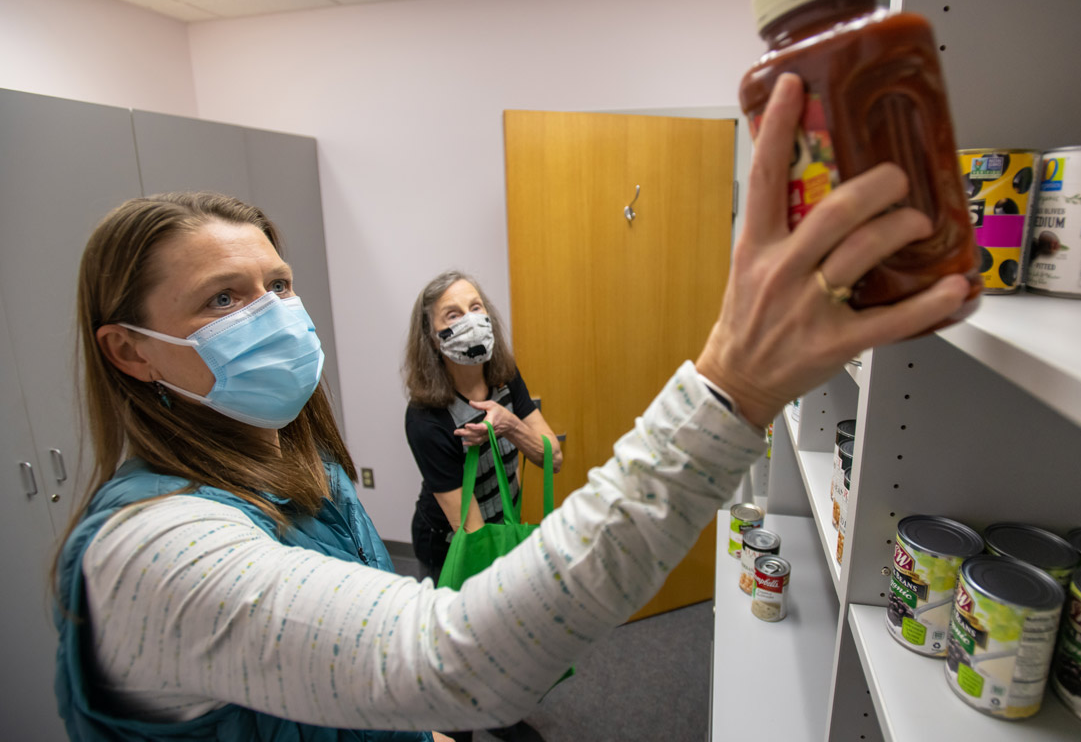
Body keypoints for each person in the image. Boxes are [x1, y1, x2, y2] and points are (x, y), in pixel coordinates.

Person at [53, 73, 970, 741]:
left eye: (279, 284)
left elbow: (387, 613)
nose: (273, 315)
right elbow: (448, 651)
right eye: (223, 299)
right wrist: (729, 391)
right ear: (129, 349)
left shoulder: (299, 462)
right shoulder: (151, 552)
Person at [403, 271, 561, 741]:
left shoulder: (504, 376)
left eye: (476, 307)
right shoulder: (427, 418)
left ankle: (497, 712)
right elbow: (471, 533)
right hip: (452, 540)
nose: (472, 320)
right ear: (433, 338)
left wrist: (511, 425)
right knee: (465, 642)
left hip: (501, 523)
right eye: (453, 314)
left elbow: (552, 457)